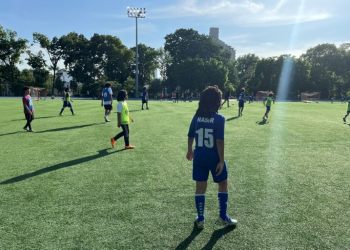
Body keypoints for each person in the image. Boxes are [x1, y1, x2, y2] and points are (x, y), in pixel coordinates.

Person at [186, 85, 237, 229]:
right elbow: (219, 141)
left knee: (200, 187)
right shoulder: (219, 118)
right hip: (214, 158)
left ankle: (201, 219)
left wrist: (190, 150)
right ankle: (222, 216)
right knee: (223, 184)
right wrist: (221, 160)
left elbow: (190, 135)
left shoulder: (197, 116)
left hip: (200, 157)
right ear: (217, 101)